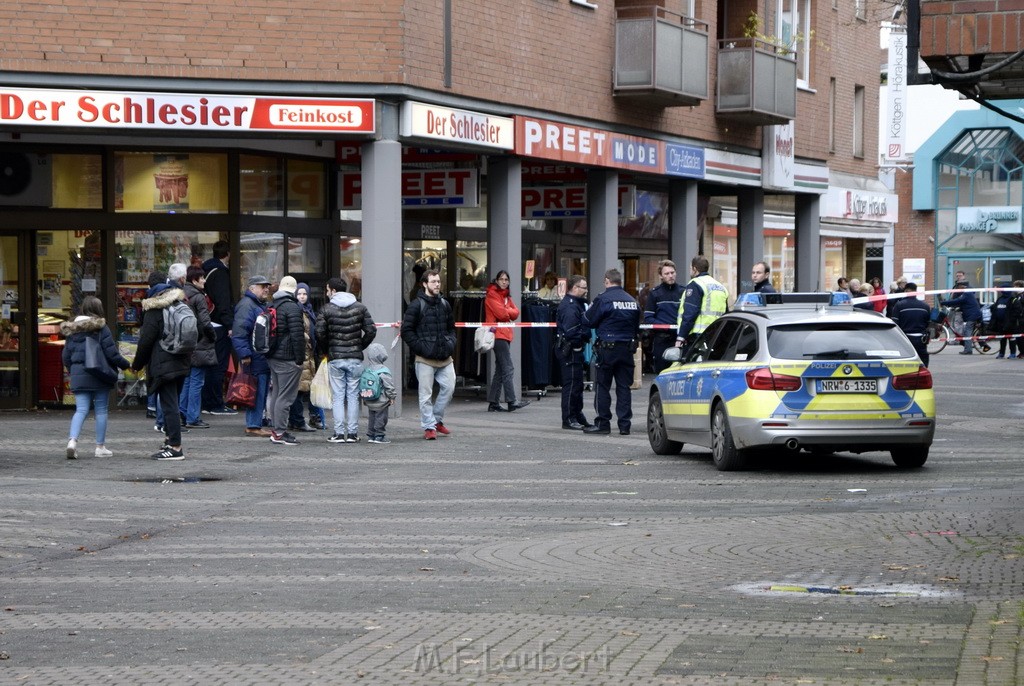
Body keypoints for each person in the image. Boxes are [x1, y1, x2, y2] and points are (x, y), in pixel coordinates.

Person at [60, 296, 132, 459]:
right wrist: (127, 365)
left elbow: (66, 356)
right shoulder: (101, 328)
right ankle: (100, 447)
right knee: (101, 411)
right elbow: (112, 354)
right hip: (100, 375)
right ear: (98, 310)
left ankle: (72, 442)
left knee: (81, 410)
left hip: (79, 375)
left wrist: (74, 371)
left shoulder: (72, 330)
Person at [131, 270, 191, 461]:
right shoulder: (179, 303)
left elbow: (146, 340)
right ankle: (169, 440)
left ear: (151, 288)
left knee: (169, 405)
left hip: (163, 363)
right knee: (173, 402)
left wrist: (137, 364)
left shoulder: (155, 309)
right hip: (181, 359)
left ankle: (175, 447)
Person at [316, 276, 376, 443]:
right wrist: (359, 346)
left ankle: (338, 433)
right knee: (352, 396)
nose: (327, 293)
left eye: (328, 290)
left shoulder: (326, 309)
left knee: (338, 396)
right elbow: (371, 331)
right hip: (355, 358)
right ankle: (352, 434)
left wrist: (327, 349)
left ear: (333, 291)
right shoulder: (360, 308)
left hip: (335, 358)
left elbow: (319, 333)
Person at [582, 268, 641, 436]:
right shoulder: (632, 301)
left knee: (602, 386)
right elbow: (637, 326)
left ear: (607, 280)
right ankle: (624, 425)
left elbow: (588, 320)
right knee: (624, 387)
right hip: (626, 350)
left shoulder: (603, 299)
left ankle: (603, 423)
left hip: (607, 349)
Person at [401, 269, 457, 440]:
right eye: (433, 281)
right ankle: (429, 427)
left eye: (438, 281)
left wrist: (450, 343)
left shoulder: (445, 304)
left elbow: (451, 328)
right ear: (424, 284)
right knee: (425, 395)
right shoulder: (416, 305)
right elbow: (406, 330)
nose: (437, 284)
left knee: (449, 388)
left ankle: (436, 420)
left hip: (444, 357)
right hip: (425, 358)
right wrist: (420, 348)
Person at [266, 276, 306, 446]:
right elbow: (297, 336)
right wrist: (299, 359)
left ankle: (276, 430)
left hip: (273, 356)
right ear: (294, 290)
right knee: (285, 396)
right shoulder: (293, 307)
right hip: (288, 358)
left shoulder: (272, 305)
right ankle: (280, 433)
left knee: (276, 394)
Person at [232, 275, 273, 436]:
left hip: (259, 355)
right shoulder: (247, 306)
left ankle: (255, 423)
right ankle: (253, 425)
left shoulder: (257, 304)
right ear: (252, 288)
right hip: (254, 356)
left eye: (267, 287)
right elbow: (239, 332)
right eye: (262, 286)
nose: (266, 289)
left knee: (259, 390)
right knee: (256, 390)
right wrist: (244, 354)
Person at [484, 270, 530, 412]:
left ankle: (493, 402)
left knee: (500, 370)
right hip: (497, 335)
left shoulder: (506, 296)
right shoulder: (492, 295)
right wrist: (507, 310)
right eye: (502, 279)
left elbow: (516, 313)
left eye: (506, 279)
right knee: (508, 368)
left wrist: (507, 310)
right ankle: (512, 400)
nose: (504, 282)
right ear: (496, 280)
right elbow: (503, 314)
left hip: (505, 334)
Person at [201, 240, 237, 416]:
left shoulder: (205, 269)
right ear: (227, 254)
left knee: (207, 365)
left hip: (207, 322)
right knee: (218, 365)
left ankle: (205, 401)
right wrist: (230, 324)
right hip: (219, 324)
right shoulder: (220, 273)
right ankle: (214, 403)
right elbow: (223, 302)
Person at [179, 265, 216, 430]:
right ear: (194, 280)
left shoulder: (182, 294)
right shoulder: (199, 297)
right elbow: (205, 321)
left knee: (187, 381)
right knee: (197, 382)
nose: (204, 280)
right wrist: (213, 336)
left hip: (186, 342)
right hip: (200, 342)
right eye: (201, 278)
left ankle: (182, 413)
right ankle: (193, 417)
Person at [555, 274, 592, 430]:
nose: (586, 291)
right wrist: (585, 336)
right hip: (570, 349)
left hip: (573, 349)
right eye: (584, 287)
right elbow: (572, 332)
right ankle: (569, 418)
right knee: (571, 385)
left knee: (577, 384)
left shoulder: (576, 304)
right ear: (575, 288)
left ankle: (577, 415)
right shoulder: (570, 306)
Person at [288, 282, 325, 431]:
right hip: (302, 356)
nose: (302, 296)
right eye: (299, 294)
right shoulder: (296, 311)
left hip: (311, 357)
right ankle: (297, 420)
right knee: (299, 389)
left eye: (304, 294)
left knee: (311, 388)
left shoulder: (309, 311)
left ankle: (313, 418)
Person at [675, 255, 729, 353]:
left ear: (695, 269)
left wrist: (681, 336)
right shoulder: (720, 286)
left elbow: (690, 313)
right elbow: (726, 312)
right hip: (717, 336)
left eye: (690, 268)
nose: (690, 271)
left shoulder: (695, 284)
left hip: (698, 337)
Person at [643, 260, 684, 375]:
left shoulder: (683, 291)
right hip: (661, 340)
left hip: (679, 339)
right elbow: (648, 318)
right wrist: (664, 326)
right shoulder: (655, 293)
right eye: (667, 274)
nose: (670, 276)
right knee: (662, 374)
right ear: (661, 276)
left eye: (672, 272)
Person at [362, 342, 398, 443]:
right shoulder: (384, 370)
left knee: (372, 417)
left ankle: (371, 435)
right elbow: (388, 386)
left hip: (369, 399)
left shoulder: (367, 370)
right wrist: (392, 397)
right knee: (381, 418)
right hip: (381, 400)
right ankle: (379, 435)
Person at [890, 282, 931, 366]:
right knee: (922, 363)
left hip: (905, 339)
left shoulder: (899, 305)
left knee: (905, 364)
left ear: (906, 291)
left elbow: (895, 324)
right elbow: (928, 323)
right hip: (921, 339)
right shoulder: (925, 306)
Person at [940, 282, 984, 354]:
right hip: (973, 314)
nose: (957, 288)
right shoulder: (966, 293)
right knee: (970, 332)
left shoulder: (966, 294)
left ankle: (968, 350)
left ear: (962, 286)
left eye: (958, 287)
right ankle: (973, 345)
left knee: (967, 331)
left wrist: (944, 303)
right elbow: (960, 302)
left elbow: (957, 300)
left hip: (972, 315)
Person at [1007, 280, 1024, 359]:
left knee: (1021, 337)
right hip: (1018, 320)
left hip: (1021, 319)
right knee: (1018, 337)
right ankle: (1022, 351)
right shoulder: (1016, 296)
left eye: (1015, 286)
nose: (1014, 288)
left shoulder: (1022, 296)